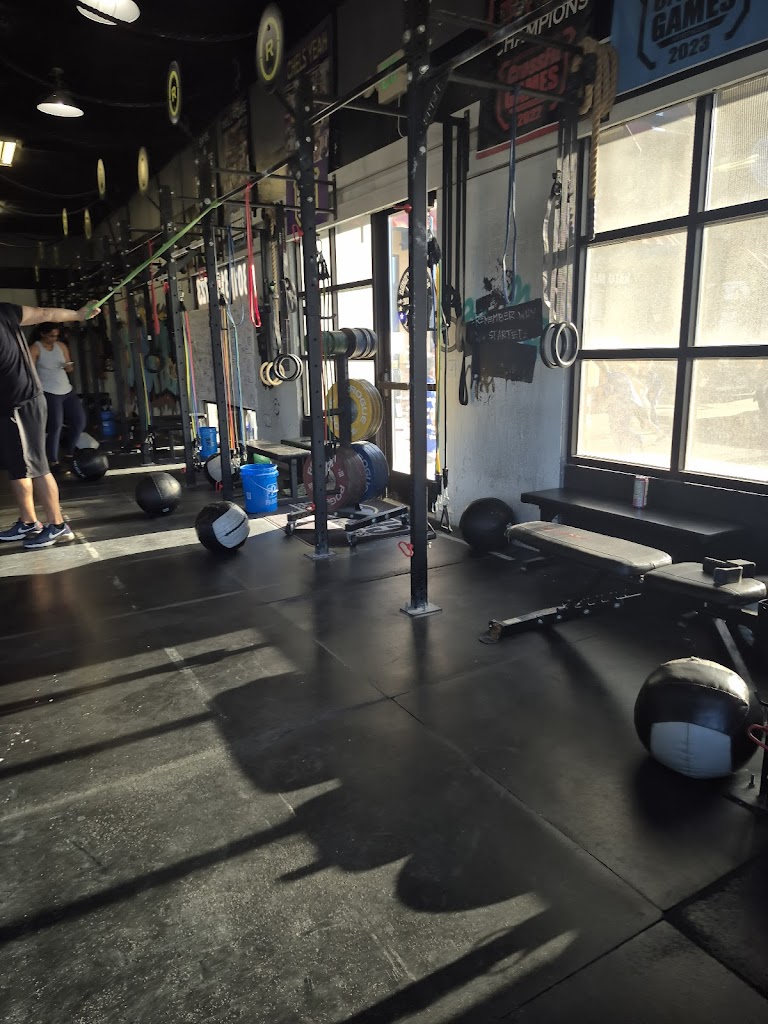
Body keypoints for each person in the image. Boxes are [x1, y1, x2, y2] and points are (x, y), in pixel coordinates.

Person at [0, 301, 100, 549]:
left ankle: (58, 525)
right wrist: (77, 315)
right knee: (17, 465)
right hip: (7, 404)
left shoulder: (4, 312)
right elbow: (45, 313)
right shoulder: (5, 311)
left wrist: (78, 316)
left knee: (36, 464)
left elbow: (45, 313)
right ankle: (29, 522)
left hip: (23, 401)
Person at [30, 324, 88, 472]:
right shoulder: (35, 349)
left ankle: (69, 453)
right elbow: (30, 372)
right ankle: (53, 460)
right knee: (55, 426)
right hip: (49, 391)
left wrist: (68, 367)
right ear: (43, 334)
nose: (54, 338)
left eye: (56, 335)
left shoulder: (61, 346)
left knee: (79, 421)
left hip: (66, 389)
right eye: (51, 335)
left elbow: (70, 366)